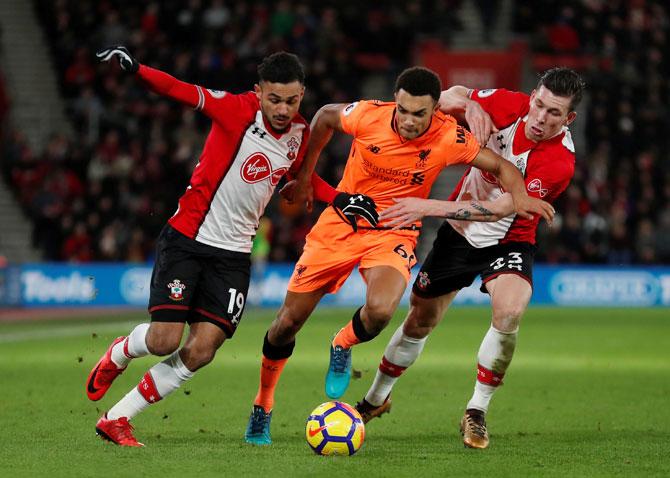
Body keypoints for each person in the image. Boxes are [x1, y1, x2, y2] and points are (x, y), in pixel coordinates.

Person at [244, 66, 555, 445]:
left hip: (393, 230)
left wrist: (521, 198)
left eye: (418, 114)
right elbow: (325, 115)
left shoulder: (448, 136)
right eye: (402, 110)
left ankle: (342, 342)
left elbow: (503, 166)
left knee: (381, 311)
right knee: (287, 323)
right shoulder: (368, 114)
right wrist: (307, 176)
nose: (408, 121)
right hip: (340, 225)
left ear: (435, 110)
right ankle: (263, 403)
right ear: (395, 101)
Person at [86, 46, 378, 447]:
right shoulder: (235, 109)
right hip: (188, 239)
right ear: (258, 92)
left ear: (302, 95)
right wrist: (138, 70)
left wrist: (341, 198)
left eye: (291, 101)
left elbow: (298, 179)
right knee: (163, 342)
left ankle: (117, 418)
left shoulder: (300, 134)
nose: (282, 108)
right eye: (274, 99)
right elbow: (182, 90)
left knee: (203, 349)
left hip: (234, 255)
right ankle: (120, 353)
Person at [355, 67, 586, 450]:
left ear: (569, 119)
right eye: (539, 105)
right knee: (419, 320)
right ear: (532, 96)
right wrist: (470, 105)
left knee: (510, 310)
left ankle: (476, 410)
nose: (541, 118)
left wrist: (425, 206)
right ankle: (375, 400)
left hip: (510, 239)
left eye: (554, 114)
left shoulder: (558, 162)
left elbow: (499, 210)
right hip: (458, 239)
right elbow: (442, 97)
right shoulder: (509, 104)